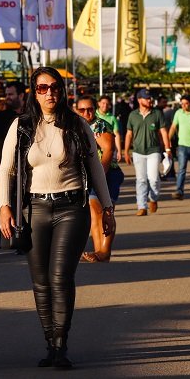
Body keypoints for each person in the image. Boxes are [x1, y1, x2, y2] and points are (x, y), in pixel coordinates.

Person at [0, 67, 113, 369]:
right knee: (40, 282)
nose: (49, 93)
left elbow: (96, 167)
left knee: (60, 277)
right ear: (33, 93)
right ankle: (49, 341)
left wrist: (108, 207)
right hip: (35, 209)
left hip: (71, 209)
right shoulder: (21, 126)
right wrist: (4, 207)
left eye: (54, 87)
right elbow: (6, 170)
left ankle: (61, 343)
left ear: (62, 91)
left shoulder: (76, 125)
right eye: (42, 87)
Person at [75, 95, 124, 263]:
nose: (86, 112)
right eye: (82, 110)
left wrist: (99, 175)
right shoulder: (78, 127)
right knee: (94, 214)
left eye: (90, 109)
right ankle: (99, 251)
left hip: (107, 174)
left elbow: (109, 149)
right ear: (76, 110)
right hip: (89, 176)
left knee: (103, 212)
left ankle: (104, 252)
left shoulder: (99, 125)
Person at [124, 89, 171, 216]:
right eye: (146, 98)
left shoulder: (157, 114)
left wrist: (168, 148)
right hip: (138, 152)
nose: (150, 100)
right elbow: (129, 134)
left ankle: (153, 199)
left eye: (150, 98)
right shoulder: (133, 115)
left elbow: (163, 132)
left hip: (153, 151)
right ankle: (142, 206)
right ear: (139, 100)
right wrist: (126, 151)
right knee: (141, 180)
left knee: (154, 179)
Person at [0, 80, 25, 174]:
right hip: (7, 169)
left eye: (11, 94)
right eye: (6, 94)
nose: (7, 98)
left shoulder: (31, 116)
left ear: (21, 95)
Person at [97, 94, 123, 160]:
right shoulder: (93, 115)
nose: (105, 105)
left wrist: (119, 151)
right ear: (99, 103)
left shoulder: (112, 118)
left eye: (107, 104)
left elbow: (116, 135)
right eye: (103, 103)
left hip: (108, 149)